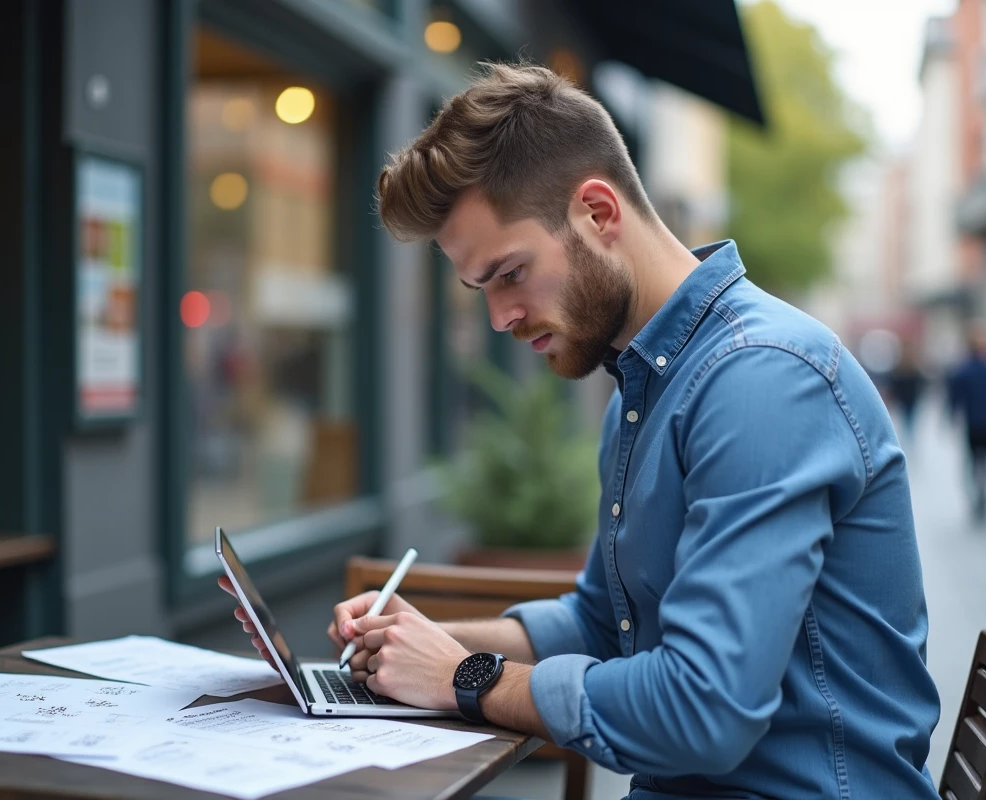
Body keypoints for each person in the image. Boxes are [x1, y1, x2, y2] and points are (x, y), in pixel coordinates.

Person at [220, 64, 940, 799]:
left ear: (598, 212)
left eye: (509, 273)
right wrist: (428, 643)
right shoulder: (650, 383)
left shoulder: (760, 380)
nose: (499, 317)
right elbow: (603, 622)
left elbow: (704, 710)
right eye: (481, 290)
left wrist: (467, 680)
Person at [946, 324, 986, 522]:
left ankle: (976, 497)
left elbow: (954, 397)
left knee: (972, 461)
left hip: (972, 423)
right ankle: (985, 496)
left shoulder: (963, 370)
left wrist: (951, 416)